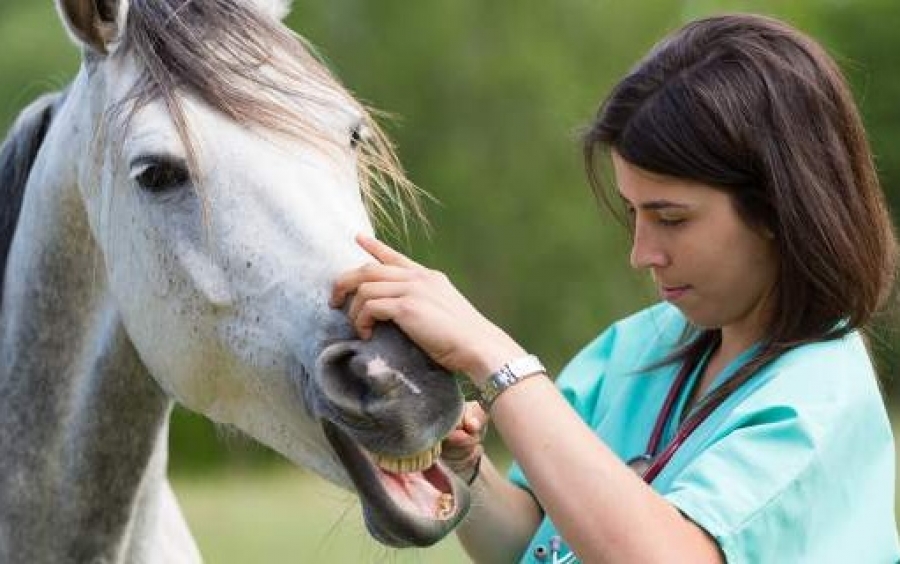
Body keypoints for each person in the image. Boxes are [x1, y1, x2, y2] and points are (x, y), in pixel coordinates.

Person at [331, 13, 899, 563]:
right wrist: (465, 469)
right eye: (634, 214)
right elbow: (542, 545)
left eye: (671, 218)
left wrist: (495, 357)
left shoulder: (817, 401)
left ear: (779, 207)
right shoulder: (638, 347)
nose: (642, 253)